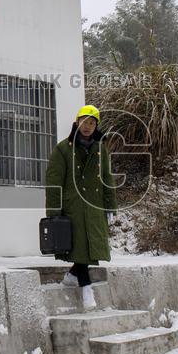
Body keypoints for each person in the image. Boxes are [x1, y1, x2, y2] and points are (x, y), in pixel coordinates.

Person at [44, 104, 116, 309]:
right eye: (84, 121)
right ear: (77, 122)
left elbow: (107, 178)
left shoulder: (101, 149)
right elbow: (54, 181)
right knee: (81, 247)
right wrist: (54, 211)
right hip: (72, 207)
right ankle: (86, 288)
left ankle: (72, 275)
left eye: (92, 123)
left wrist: (110, 205)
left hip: (94, 206)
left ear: (96, 126)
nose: (87, 126)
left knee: (86, 249)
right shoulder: (63, 149)